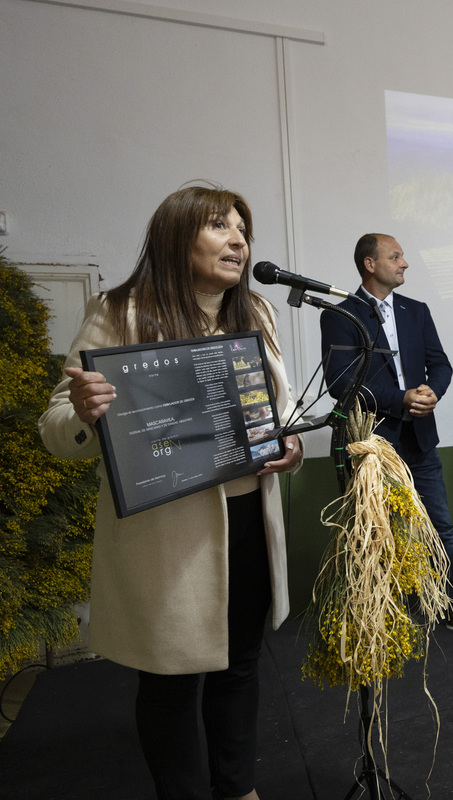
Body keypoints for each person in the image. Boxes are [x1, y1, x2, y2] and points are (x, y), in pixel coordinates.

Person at [39, 184, 303, 800]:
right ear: (176, 235)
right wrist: (82, 409)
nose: (239, 240)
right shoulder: (120, 310)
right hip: (168, 533)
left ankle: (238, 789)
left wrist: (285, 447)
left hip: (248, 520)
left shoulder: (256, 313)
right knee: (171, 678)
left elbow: (273, 413)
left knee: (239, 668)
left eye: (243, 230)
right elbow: (57, 425)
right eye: (221, 227)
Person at [319, 233, 453, 637]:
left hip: (420, 440)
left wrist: (433, 391)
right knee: (377, 534)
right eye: (395, 256)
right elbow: (342, 383)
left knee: (440, 527)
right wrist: (400, 398)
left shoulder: (416, 311)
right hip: (374, 446)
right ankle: (381, 618)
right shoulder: (340, 316)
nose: (404, 264)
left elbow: (441, 364)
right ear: (370, 264)